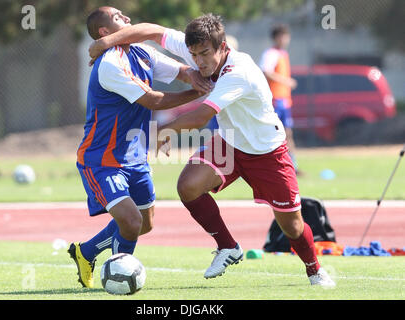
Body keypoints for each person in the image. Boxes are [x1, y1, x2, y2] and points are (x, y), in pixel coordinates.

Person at [89, 14, 335, 287]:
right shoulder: (196, 48)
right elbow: (152, 30)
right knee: (188, 186)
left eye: (205, 54)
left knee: (292, 226)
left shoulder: (238, 70)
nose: (199, 61)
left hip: (267, 151)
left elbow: (200, 116)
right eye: (194, 55)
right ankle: (228, 247)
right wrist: (105, 43)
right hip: (230, 142)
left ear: (222, 47)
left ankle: (315, 270)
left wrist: (164, 131)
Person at [68, 6, 206, 289]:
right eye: (119, 18)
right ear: (104, 32)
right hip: (101, 159)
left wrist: (198, 77)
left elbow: (179, 71)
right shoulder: (110, 64)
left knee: (145, 224)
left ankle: (86, 252)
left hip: (135, 158)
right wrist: (199, 92)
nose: (128, 19)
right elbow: (153, 100)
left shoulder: (141, 52)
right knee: (130, 222)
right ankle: (119, 281)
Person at [259, 24, 301, 175]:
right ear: (276, 38)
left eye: (287, 36)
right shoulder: (271, 54)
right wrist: (285, 81)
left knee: (288, 133)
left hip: (284, 101)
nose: (286, 39)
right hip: (274, 100)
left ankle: (293, 166)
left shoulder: (283, 54)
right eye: (283, 36)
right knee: (272, 133)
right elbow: (265, 71)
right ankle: (267, 166)